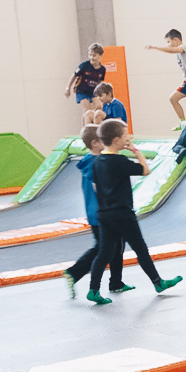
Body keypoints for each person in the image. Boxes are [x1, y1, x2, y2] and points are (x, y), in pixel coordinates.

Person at [85, 120, 181, 304]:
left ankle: (93, 289)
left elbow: (96, 185)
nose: (127, 139)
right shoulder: (119, 161)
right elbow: (145, 170)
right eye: (125, 136)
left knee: (104, 252)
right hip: (122, 214)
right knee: (141, 249)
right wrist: (136, 152)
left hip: (104, 214)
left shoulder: (97, 161)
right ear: (116, 140)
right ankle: (158, 282)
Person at [61, 126, 118, 299]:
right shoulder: (97, 164)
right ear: (95, 143)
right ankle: (75, 273)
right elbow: (101, 188)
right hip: (102, 213)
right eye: (102, 139)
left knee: (109, 246)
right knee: (103, 248)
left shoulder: (88, 160)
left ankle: (115, 282)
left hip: (94, 212)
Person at [145, 29, 186, 123]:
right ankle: (182, 123)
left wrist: (155, 47)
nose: (168, 44)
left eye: (169, 42)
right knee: (173, 98)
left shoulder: (183, 47)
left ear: (176, 40)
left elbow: (171, 50)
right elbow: (170, 49)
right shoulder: (178, 52)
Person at [67, 43, 111, 120]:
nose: (91, 57)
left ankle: (95, 121)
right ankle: (86, 123)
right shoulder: (84, 65)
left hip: (93, 91)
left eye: (94, 56)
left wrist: (100, 94)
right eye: (90, 55)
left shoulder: (102, 69)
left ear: (100, 56)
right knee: (87, 109)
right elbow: (74, 75)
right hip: (82, 91)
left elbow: (100, 83)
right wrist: (68, 88)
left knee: (99, 106)